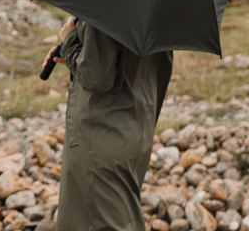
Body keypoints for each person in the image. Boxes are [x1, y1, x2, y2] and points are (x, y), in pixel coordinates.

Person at [43, 15, 173, 231]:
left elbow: (97, 76)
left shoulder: (105, 3)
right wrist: (79, 53)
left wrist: (70, 40)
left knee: (94, 222)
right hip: (134, 130)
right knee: (120, 220)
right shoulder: (160, 11)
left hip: (100, 136)